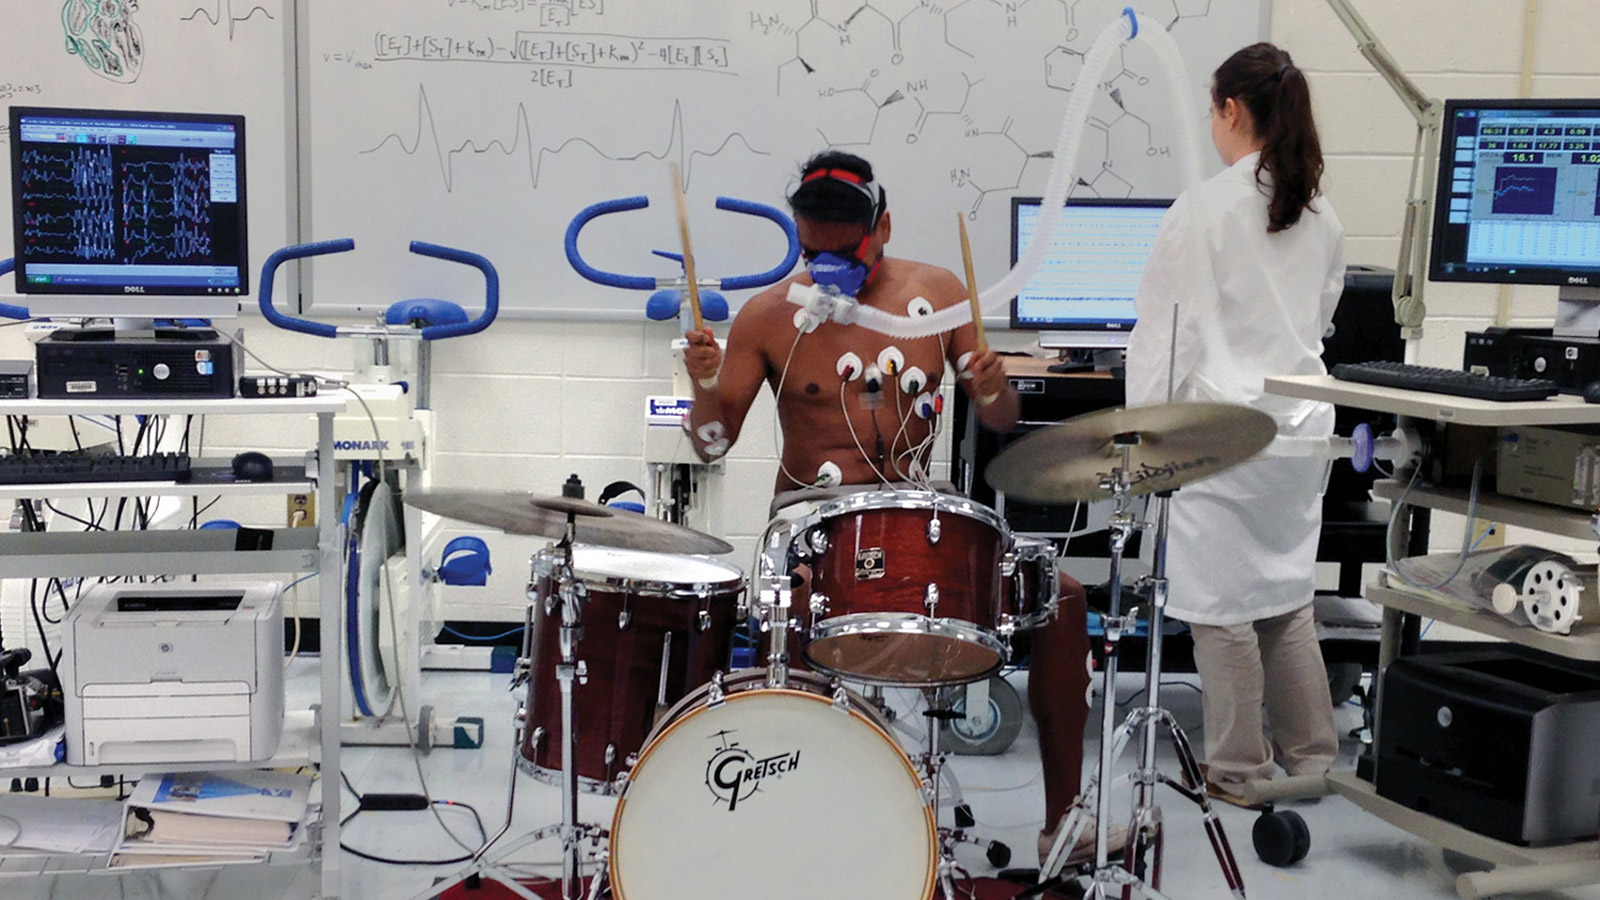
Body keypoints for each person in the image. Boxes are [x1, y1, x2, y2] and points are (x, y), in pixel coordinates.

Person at [682, 150, 1116, 864]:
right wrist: (701, 386)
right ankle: (779, 834)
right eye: (811, 253)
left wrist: (992, 385)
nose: (827, 270)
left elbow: (1001, 417)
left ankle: (1063, 826)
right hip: (812, 530)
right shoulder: (768, 316)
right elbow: (711, 445)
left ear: (882, 228)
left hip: (916, 520)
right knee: (784, 619)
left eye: (844, 253)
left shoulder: (937, 294)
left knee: (1062, 600)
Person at [1125, 42, 1343, 802]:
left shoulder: (1205, 208)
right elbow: (1318, 321)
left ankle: (1240, 772)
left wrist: (1139, 439)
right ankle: (1314, 763)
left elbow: (1166, 336)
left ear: (1230, 110)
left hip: (1223, 435)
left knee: (1221, 611)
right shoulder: (1320, 212)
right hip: (1299, 435)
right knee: (1284, 598)